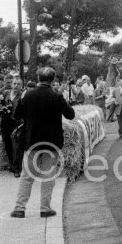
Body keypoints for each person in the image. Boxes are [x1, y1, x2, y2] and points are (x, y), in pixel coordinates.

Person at [10, 67, 75, 218]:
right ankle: (45, 208)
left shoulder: (27, 95)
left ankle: (19, 208)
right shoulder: (56, 96)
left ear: (38, 78)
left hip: (31, 140)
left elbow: (16, 115)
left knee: (27, 176)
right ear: (52, 80)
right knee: (48, 176)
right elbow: (70, 115)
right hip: (51, 142)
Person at [0, 77, 22, 176]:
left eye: (18, 84)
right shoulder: (5, 93)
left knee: (16, 145)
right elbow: (0, 105)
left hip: (16, 123)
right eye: (14, 83)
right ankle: (12, 165)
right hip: (5, 123)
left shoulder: (22, 95)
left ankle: (16, 169)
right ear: (11, 84)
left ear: (21, 85)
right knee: (7, 144)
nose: (16, 85)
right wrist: (1, 109)